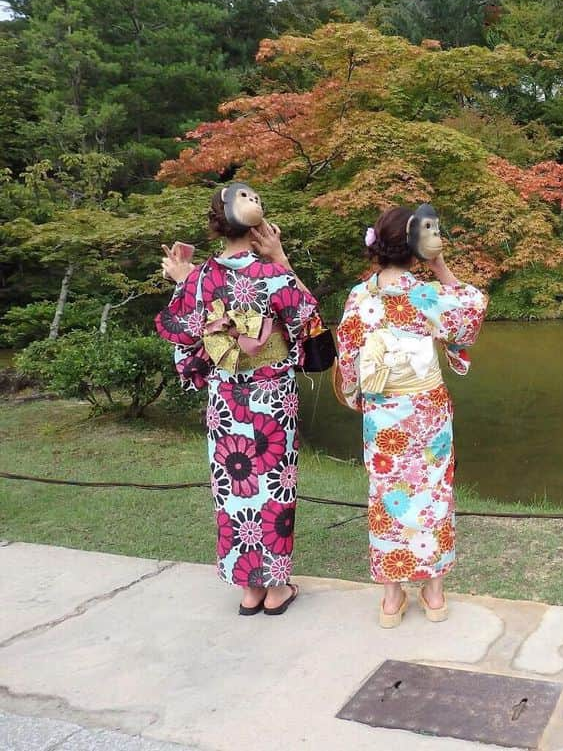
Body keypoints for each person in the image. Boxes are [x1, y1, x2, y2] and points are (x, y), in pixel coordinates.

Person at [156, 183, 318, 616]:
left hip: (225, 393)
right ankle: (276, 588)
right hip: (271, 392)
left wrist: (182, 280)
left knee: (235, 486)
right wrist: (280, 257)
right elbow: (310, 320)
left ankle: (249, 589)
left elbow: (183, 334)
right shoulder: (273, 275)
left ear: (216, 223)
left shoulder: (201, 278)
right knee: (275, 485)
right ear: (255, 223)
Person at [336, 205, 487, 628]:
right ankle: (434, 594)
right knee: (432, 492)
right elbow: (470, 311)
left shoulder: (359, 296)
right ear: (416, 247)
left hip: (383, 410)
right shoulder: (426, 294)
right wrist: (439, 265)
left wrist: (354, 393)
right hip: (426, 409)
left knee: (386, 495)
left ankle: (391, 598)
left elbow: (348, 355)